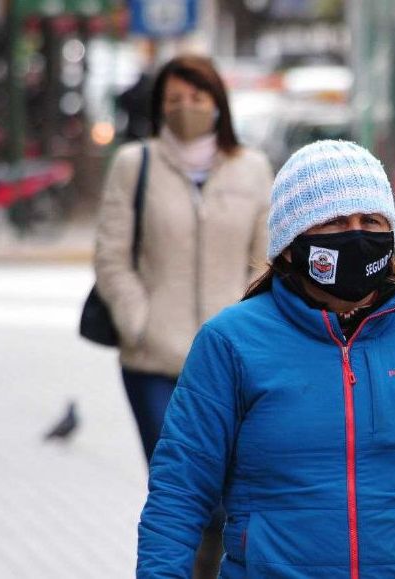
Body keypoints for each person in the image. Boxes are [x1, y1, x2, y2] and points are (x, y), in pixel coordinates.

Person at [137, 140, 395, 578]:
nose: (356, 234)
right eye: (334, 222)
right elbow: (179, 492)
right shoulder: (231, 343)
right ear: (293, 244)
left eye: (370, 220)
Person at [93, 54, 273, 577]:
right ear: (158, 106)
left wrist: (248, 329)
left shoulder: (252, 168)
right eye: (174, 99)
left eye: (197, 97)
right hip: (154, 362)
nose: (186, 108)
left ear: (218, 103)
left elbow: (265, 262)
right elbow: (111, 256)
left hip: (231, 365)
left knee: (229, 492)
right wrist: (139, 321)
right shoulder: (134, 165)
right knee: (184, 490)